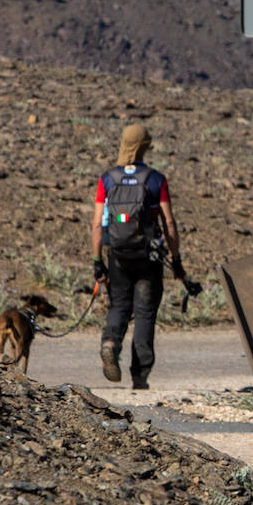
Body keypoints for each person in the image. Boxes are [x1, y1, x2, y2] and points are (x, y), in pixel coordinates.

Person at [90, 123, 188, 389]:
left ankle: (110, 342)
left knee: (119, 305)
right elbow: (169, 224)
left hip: (118, 256)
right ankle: (140, 376)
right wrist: (177, 260)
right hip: (149, 258)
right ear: (144, 147)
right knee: (144, 313)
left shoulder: (107, 179)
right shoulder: (156, 179)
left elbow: (98, 224)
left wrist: (97, 261)